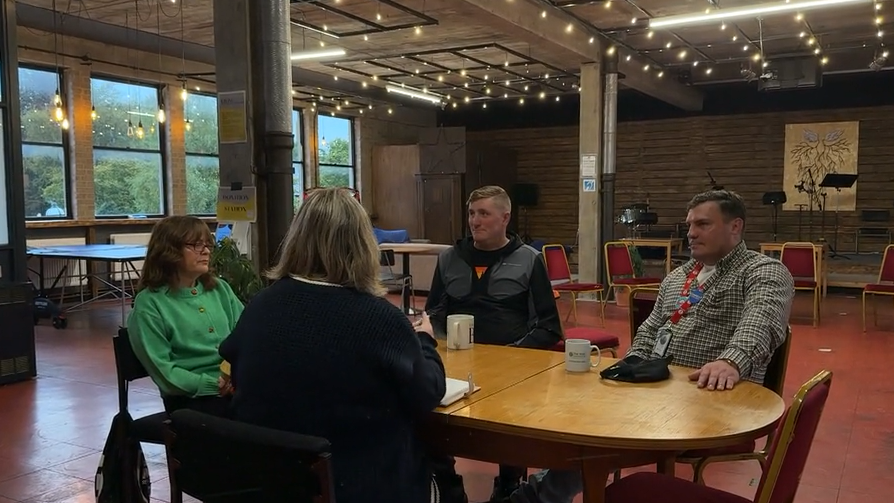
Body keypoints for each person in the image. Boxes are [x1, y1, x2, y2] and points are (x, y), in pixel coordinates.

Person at [510, 190, 795, 503]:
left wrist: (731, 361)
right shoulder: (679, 276)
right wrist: (628, 368)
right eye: (690, 225)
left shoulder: (763, 271)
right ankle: (534, 491)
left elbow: (762, 321)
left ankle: (534, 497)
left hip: (713, 399)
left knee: (601, 429)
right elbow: (649, 331)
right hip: (654, 388)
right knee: (576, 408)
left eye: (703, 224)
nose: (691, 233)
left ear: (735, 226)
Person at [219, 187, 447, 503]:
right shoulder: (380, 319)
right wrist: (425, 340)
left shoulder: (260, 305)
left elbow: (233, 360)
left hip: (272, 484)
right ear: (363, 245)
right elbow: (428, 393)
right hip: (360, 485)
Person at [425, 185, 563, 503]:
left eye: (484, 214)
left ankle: (510, 483)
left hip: (513, 366)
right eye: (472, 213)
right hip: (457, 362)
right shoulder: (449, 258)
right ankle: (446, 482)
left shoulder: (529, 260)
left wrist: (512, 356)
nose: (475, 221)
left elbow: (549, 327)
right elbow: (434, 312)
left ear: (505, 218)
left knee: (512, 427)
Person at [128, 216, 245, 417]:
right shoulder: (150, 304)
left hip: (235, 385)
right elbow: (165, 373)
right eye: (195, 245)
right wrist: (214, 385)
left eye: (207, 244)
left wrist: (241, 376)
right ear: (168, 252)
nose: (206, 251)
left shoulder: (220, 289)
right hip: (191, 399)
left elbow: (247, 337)